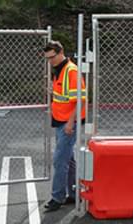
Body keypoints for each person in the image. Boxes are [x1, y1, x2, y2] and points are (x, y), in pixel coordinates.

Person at [43, 40, 86, 212]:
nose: (50, 61)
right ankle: (74, 194)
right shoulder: (59, 69)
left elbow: (80, 100)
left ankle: (57, 197)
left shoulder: (71, 71)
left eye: (52, 57)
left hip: (68, 123)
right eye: (47, 58)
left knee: (60, 161)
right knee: (69, 159)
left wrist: (70, 123)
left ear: (61, 52)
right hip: (61, 120)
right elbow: (65, 96)